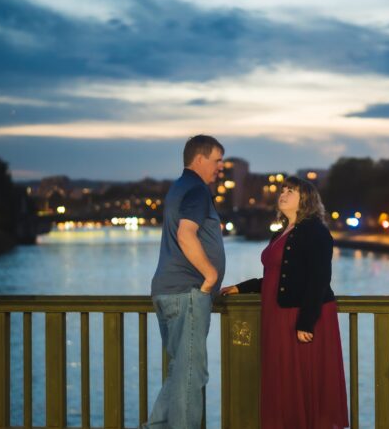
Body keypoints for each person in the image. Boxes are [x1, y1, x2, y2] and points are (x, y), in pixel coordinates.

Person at [221, 176, 349, 429]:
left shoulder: (316, 232)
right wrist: (240, 287)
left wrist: (306, 323)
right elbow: (275, 276)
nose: (284, 194)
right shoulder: (282, 233)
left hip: (300, 317)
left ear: (306, 200)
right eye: (283, 189)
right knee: (283, 380)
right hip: (278, 316)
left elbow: (320, 279)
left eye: (291, 191)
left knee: (301, 380)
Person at [146, 135, 226, 429]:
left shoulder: (178, 187)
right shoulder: (197, 190)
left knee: (179, 371)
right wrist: (211, 276)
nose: (221, 167)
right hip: (187, 293)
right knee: (192, 375)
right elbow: (185, 234)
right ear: (200, 159)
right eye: (217, 160)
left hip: (168, 291)